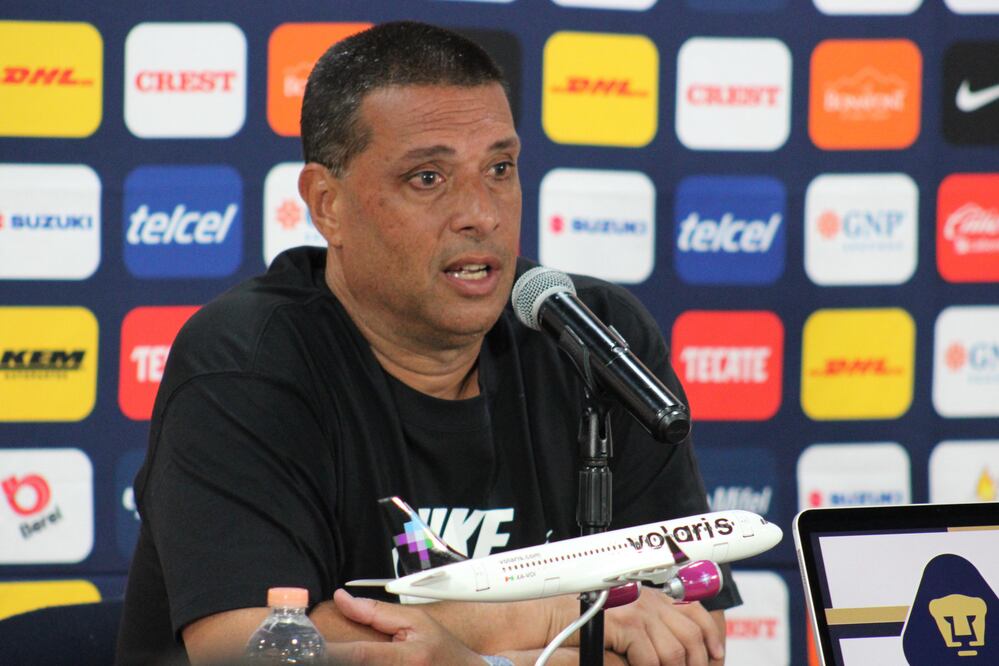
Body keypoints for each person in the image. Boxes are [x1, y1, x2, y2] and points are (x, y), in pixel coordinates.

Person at [115, 21, 740, 666]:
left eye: (500, 168)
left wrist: (460, 653)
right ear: (326, 204)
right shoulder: (245, 361)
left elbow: (684, 635)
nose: (483, 213)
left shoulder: (586, 334)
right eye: (428, 179)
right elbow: (259, 645)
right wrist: (568, 614)